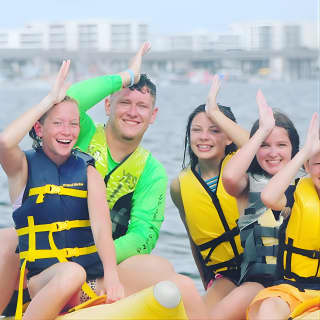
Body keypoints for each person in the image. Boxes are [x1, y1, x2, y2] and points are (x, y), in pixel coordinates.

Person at [0, 42, 175, 316]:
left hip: (96, 260)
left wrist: (92, 261)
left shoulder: (151, 171)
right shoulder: (81, 135)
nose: (132, 111)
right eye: (125, 102)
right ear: (107, 105)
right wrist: (126, 76)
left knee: (164, 272)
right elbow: (68, 100)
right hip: (48, 260)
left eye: (142, 106)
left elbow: (143, 237)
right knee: (6, 240)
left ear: (153, 115)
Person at [0, 60, 124, 320]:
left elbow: (102, 229)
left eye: (74, 124)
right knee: (72, 273)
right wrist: (48, 101)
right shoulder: (22, 168)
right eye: (57, 123)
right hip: (41, 279)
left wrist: (112, 277)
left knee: (141, 276)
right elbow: (4, 141)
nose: (67, 131)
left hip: (87, 281)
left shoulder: (89, 173)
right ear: (39, 128)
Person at [210, 89, 302, 319]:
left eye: (282, 145)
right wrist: (261, 131)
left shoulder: (307, 182)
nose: (273, 153)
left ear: (295, 150)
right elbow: (229, 177)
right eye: (264, 145)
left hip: (300, 283)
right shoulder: (247, 185)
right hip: (259, 282)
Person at [170, 75, 251, 316]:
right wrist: (208, 281)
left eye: (214, 130)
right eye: (196, 130)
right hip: (224, 274)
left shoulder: (243, 168)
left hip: (262, 268)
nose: (204, 137)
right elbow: (195, 241)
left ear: (228, 137)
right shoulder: (179, 186)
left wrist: (214, 111)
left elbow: (257, 147)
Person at [247, 113, 320, 320]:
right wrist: (305, 152)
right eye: (318, 164)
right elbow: (269, 197)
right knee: (268, 309)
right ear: (306, 167)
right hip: (291, 290)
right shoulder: (294, 197)